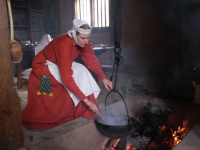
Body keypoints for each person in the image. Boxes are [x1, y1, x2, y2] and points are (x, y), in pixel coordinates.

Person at [21, 19, 112, 130]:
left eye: (88, 38)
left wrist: (104, 79)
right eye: (82, 38)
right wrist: (86, 101)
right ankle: (82, 105)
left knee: (82, 70)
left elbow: (91, 60)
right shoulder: (63, 44)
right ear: (74, 34)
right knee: (67, 81)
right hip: (44, 65)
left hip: (60, 61)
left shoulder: (84, 43)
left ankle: (83, 108)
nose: (86, 41)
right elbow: (67, 79)